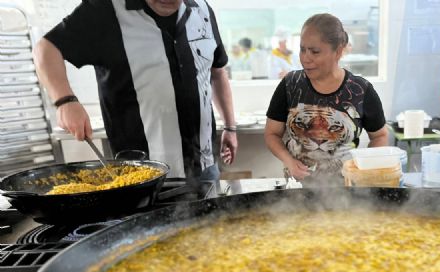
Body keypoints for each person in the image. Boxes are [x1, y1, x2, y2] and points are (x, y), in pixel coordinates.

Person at [33, 0, 238, 184]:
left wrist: (230, 126)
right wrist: (65, 101)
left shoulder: (202, 10)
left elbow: (217, 73)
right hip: (142, 176)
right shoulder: (105, 10)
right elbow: (46, 48)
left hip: (205, 167)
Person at [264, 13, 387, 186]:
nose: (306, 58)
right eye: (302, 49)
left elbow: (380, 135)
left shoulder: (360, 90)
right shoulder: (290, 85)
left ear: (338, 51)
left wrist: (363, 168)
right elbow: (271, 134)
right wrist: (289, 162)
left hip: (345, 188)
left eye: (315, 51)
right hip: (297, 188)